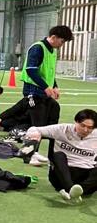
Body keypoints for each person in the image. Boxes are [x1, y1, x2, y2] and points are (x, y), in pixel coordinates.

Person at [17, 25, 73, 162]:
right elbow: (31, 70)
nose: (62, 44)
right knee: (37, 124)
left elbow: (49, 72)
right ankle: (28, 155)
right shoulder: (38, 48)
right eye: (62, 41)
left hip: (44, 93)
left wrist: (54, 86)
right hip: (33, 92)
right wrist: (46, 87)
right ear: (53, 37)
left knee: (53, 113)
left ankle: (47, 154)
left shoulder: (52, 51)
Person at [25, 109, 97, 204]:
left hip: (86, 175)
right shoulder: (62, 129)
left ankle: (77, 191)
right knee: (58, 155)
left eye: (90, 128)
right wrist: (34, 136)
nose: (85, 130)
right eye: (82, 125)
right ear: (76, 122)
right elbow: (34, 129)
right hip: (62, 173)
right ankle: (70, 188)